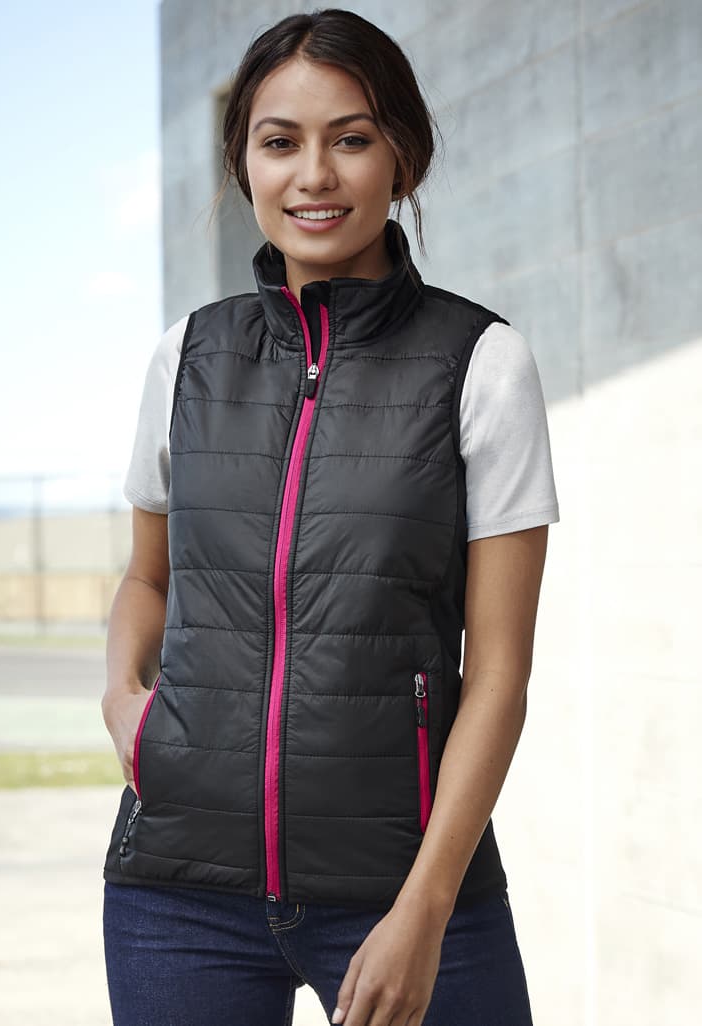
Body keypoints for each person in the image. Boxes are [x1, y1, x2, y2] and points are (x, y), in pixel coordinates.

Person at [100, 8, 560, 1026]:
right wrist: (125, 706)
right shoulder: (186, 356)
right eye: (280, 142)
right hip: (177, 895)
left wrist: (423, 911)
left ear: (402, 158)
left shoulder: (480, 364)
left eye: (350, 139)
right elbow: (147, 574)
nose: (314, 174)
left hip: (406, 890)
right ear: (244, 164)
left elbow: (498, 672)